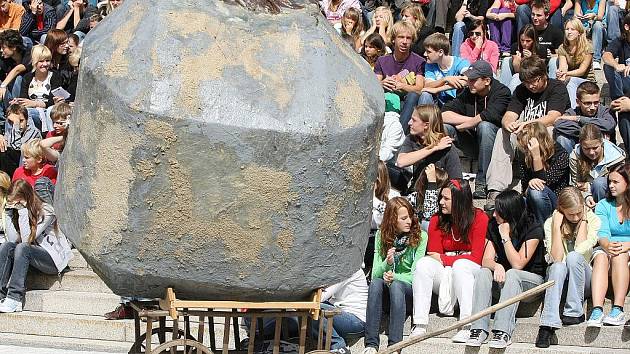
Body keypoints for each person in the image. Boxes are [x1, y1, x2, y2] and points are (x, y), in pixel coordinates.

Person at [485, 55, 569, 209]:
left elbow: (553, 116)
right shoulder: (521, 90)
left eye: (534, 81)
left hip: (545, 133)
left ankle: (540, 178)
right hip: (524, 135)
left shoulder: (557, 87)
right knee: (502, 133)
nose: (531, 86)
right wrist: (508, 124)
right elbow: (509, 115)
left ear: (544, 76)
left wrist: (527, 124)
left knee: (548, 131)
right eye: (527, 83)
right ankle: (496, 188)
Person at [466, 190, 546, 349]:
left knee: (513, 273)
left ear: (510, 212)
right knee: (483, 272)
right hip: (504, 281)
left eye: (498, 211)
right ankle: (478, 328)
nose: (494, 215)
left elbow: (518, 264)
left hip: (531, 283)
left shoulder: (533, 227)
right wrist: (497, 265)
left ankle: (502, 331)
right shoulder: (493, 225)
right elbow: (485, 260)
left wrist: (505, 237)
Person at [412, 179, 489, 342]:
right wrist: (452, 257)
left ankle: (466, 325)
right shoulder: (436, 220)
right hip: (447, 275)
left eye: (446, 199)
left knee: (461, 265)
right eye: (441, 197)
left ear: (459, 199)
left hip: (470, 272)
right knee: (423, 264)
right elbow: (433, 254)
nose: (440, 202)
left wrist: (446, 258)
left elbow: (476, 257)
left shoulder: (479, 218)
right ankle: (419, 324)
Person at [536, 187, 600, 347]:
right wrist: (556, 227)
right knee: (557, 267)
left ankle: (575, 311)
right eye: (571, 214)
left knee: (573, 256)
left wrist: (584, 220)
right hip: (560, 280)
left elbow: (581, 251)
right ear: (561, 210)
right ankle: (547, 324)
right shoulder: (551, 223)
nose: (576, 217)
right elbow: (556, 258)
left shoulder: (593, 220)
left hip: (583, 280)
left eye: (579, 212)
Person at [362, 197, 427, 354]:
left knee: (396, 285)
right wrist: (388, 262)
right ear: (392, 219)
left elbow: (416, 275)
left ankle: (395, 346)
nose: (409, 221)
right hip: (387, 291)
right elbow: (376, 273)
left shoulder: (421, 236)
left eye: (410, 216)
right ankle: (371, 344)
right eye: (403, 218)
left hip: (408, 293)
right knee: (376, 284)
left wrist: (394, 277)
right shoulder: (380, 236)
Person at [0, 179, 73, 313]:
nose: (15, 206)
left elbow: (26, 240)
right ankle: (1, 295)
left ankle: (15, 299)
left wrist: (22, 211)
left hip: (51, 259)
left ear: (26, 197)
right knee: (6, 246)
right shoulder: (18, 211)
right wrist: (8, 214)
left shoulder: (47, 210)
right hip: (32, 258)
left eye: (17, 202)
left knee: (23, 247)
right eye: (13, 203)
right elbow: (13, 240)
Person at [442, 60, 511, 198]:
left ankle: (482, 182)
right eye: (468, 79)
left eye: (473, 79)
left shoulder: (502, 92)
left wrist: (471, 124)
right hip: (472, 143)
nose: (469, 82)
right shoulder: (468, 92)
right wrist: (469, 122)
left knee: (484, 126)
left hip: (494, 148)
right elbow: (443, 114)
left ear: (486, 80)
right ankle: (445, 178)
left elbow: (490, 115)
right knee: (445, 128)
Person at [588, 163, 630, 327]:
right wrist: (606, 245)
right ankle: (597, 309)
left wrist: (627, 245)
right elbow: (602, 232)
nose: (611, 185)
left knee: (619, 255)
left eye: (616, 182)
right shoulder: (604, 205)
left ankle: (618, 308)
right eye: (609, 182)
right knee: (600, 257)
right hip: (608, 246)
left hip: (625, 249)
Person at [375, 21, 431, 133]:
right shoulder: (382, 60)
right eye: (401, 37)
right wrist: (382, 84)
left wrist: (402, 86)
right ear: (393, 39)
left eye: (408, 38)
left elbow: (419, 88)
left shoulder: (419, 61)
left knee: (413, 95)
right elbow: (374, 85)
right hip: (387, 102)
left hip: (407, 103)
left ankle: (399, 133)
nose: (404, 42)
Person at [397, 104, 463, 193]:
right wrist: (434, 148)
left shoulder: (447, 147)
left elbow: (456, 180)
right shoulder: (412, 139)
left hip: (438, 193)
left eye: (414, 120)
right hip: (417, 191)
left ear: (426, 125)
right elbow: (401, 162)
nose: (409, 123)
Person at [515, 122, 570, 223]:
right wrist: (529, 186)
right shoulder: (525, 156)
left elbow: (544, 184)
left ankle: (544, 230)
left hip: (557, 202)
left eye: (528, 147)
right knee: (513, 202)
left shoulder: (561, 155)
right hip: (534, 199)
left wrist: (536, 157)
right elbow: (525, 189)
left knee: (536, 192)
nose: (526, 151)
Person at [311, 269, 368, 354]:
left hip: (357, 321)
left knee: (316, 307)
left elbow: (321, 297)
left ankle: (339, 347)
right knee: (313, 309)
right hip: (343, 314)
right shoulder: (340, 269)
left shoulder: (349, 270)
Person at [569, 124, 626, 209]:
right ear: (580, 145)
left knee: (599, 184)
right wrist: (587, 196)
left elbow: (620, 185)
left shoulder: (616, 158)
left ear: (602, 143)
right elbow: (576, 184)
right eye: (586, 149)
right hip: (587, 199)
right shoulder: (575, 157)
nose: (591, 152)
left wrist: (589, 186)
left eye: (595, 148)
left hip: (612, 198)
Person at [554, 81, 616, 153]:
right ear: (578, 102)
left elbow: (609, 125)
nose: (592, 107)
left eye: (596, 102)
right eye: (587, 103)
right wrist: (594, 132)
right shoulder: (572, 112)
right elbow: (559, 124)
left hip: (602, 152)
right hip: (579, 150)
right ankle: (569, 163)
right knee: (562, 138)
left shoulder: (605, 111)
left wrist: (579, 119)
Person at [13, 44, 62, 132]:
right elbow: (24, 98)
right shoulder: (28, 77)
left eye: (47, 61)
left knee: (28, 113)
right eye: (41, 61)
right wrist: (18, 102)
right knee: (14, 113)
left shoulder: (55, 76)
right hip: (32, 110)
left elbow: (52, 102)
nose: (45, 64)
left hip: (48, 111)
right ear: (35, 62)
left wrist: (34, 103)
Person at [422, 33, 470, 107]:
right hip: (439, 103)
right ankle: (423, 118)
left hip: (458, 102)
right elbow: (428, 86)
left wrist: (438, 89)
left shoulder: (460, 63)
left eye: (429, 52)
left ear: (440, 52)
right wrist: (445, 79)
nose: (425, 54)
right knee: (425, 94)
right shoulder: (429, 65)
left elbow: (468, 80)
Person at [556, 18, 595, 108]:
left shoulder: (588, 47)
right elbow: (562, 66)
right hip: (569, 79)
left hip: (587, 81)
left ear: (579, 32)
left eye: (572, 29)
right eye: (567, 29)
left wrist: (566, 74)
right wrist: (561, 73)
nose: (569, 32)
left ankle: (573, 110)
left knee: (571, 80)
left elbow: (582, 71)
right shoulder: (562, 48)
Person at [498, 24, 547, 91]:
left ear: (534, 40)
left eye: (528, 41)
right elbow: (517, 71)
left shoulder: (541, 49)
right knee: (506, 60)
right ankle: (503, 90)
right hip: (519, 74)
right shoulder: (515, 47)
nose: (524, 43)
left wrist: (531, 59)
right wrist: (517, 61)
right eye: (522, 40)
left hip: (534, 78)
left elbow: (540, 70)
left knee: (516, 78)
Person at [1, 104, 40, 177]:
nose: (18, 124)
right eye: (11, 122)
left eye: (21, 121)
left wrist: (16, 124)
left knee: (7, 152)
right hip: (13, 164)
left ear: (27, 120)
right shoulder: (10, 130)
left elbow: (17, 147)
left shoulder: (34, 132)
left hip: (27, 164)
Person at [406, 164, 448, 231]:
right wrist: (432, 184)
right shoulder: (413, 197)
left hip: (435, 233)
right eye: (440, 186)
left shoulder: (443, 200)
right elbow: (427, 214)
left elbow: (429, 215)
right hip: (416, 234)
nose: (443, 189)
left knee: (427, 223)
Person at [602, 13, 630, 102]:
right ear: (627, 27)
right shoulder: (620, 41)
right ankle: (618, 99)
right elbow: (606, 55)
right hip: (625, 80)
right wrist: (616, 65)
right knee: (608, 66)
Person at [574, 0, 607, 70]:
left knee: (597, 24)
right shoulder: (579, 1)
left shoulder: (601, 1)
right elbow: (575, 15)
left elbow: (600, 17)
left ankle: (596, 59)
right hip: (585, 27)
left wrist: (594, 16)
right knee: (575, 23)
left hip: (598, 28)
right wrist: (578, 16)